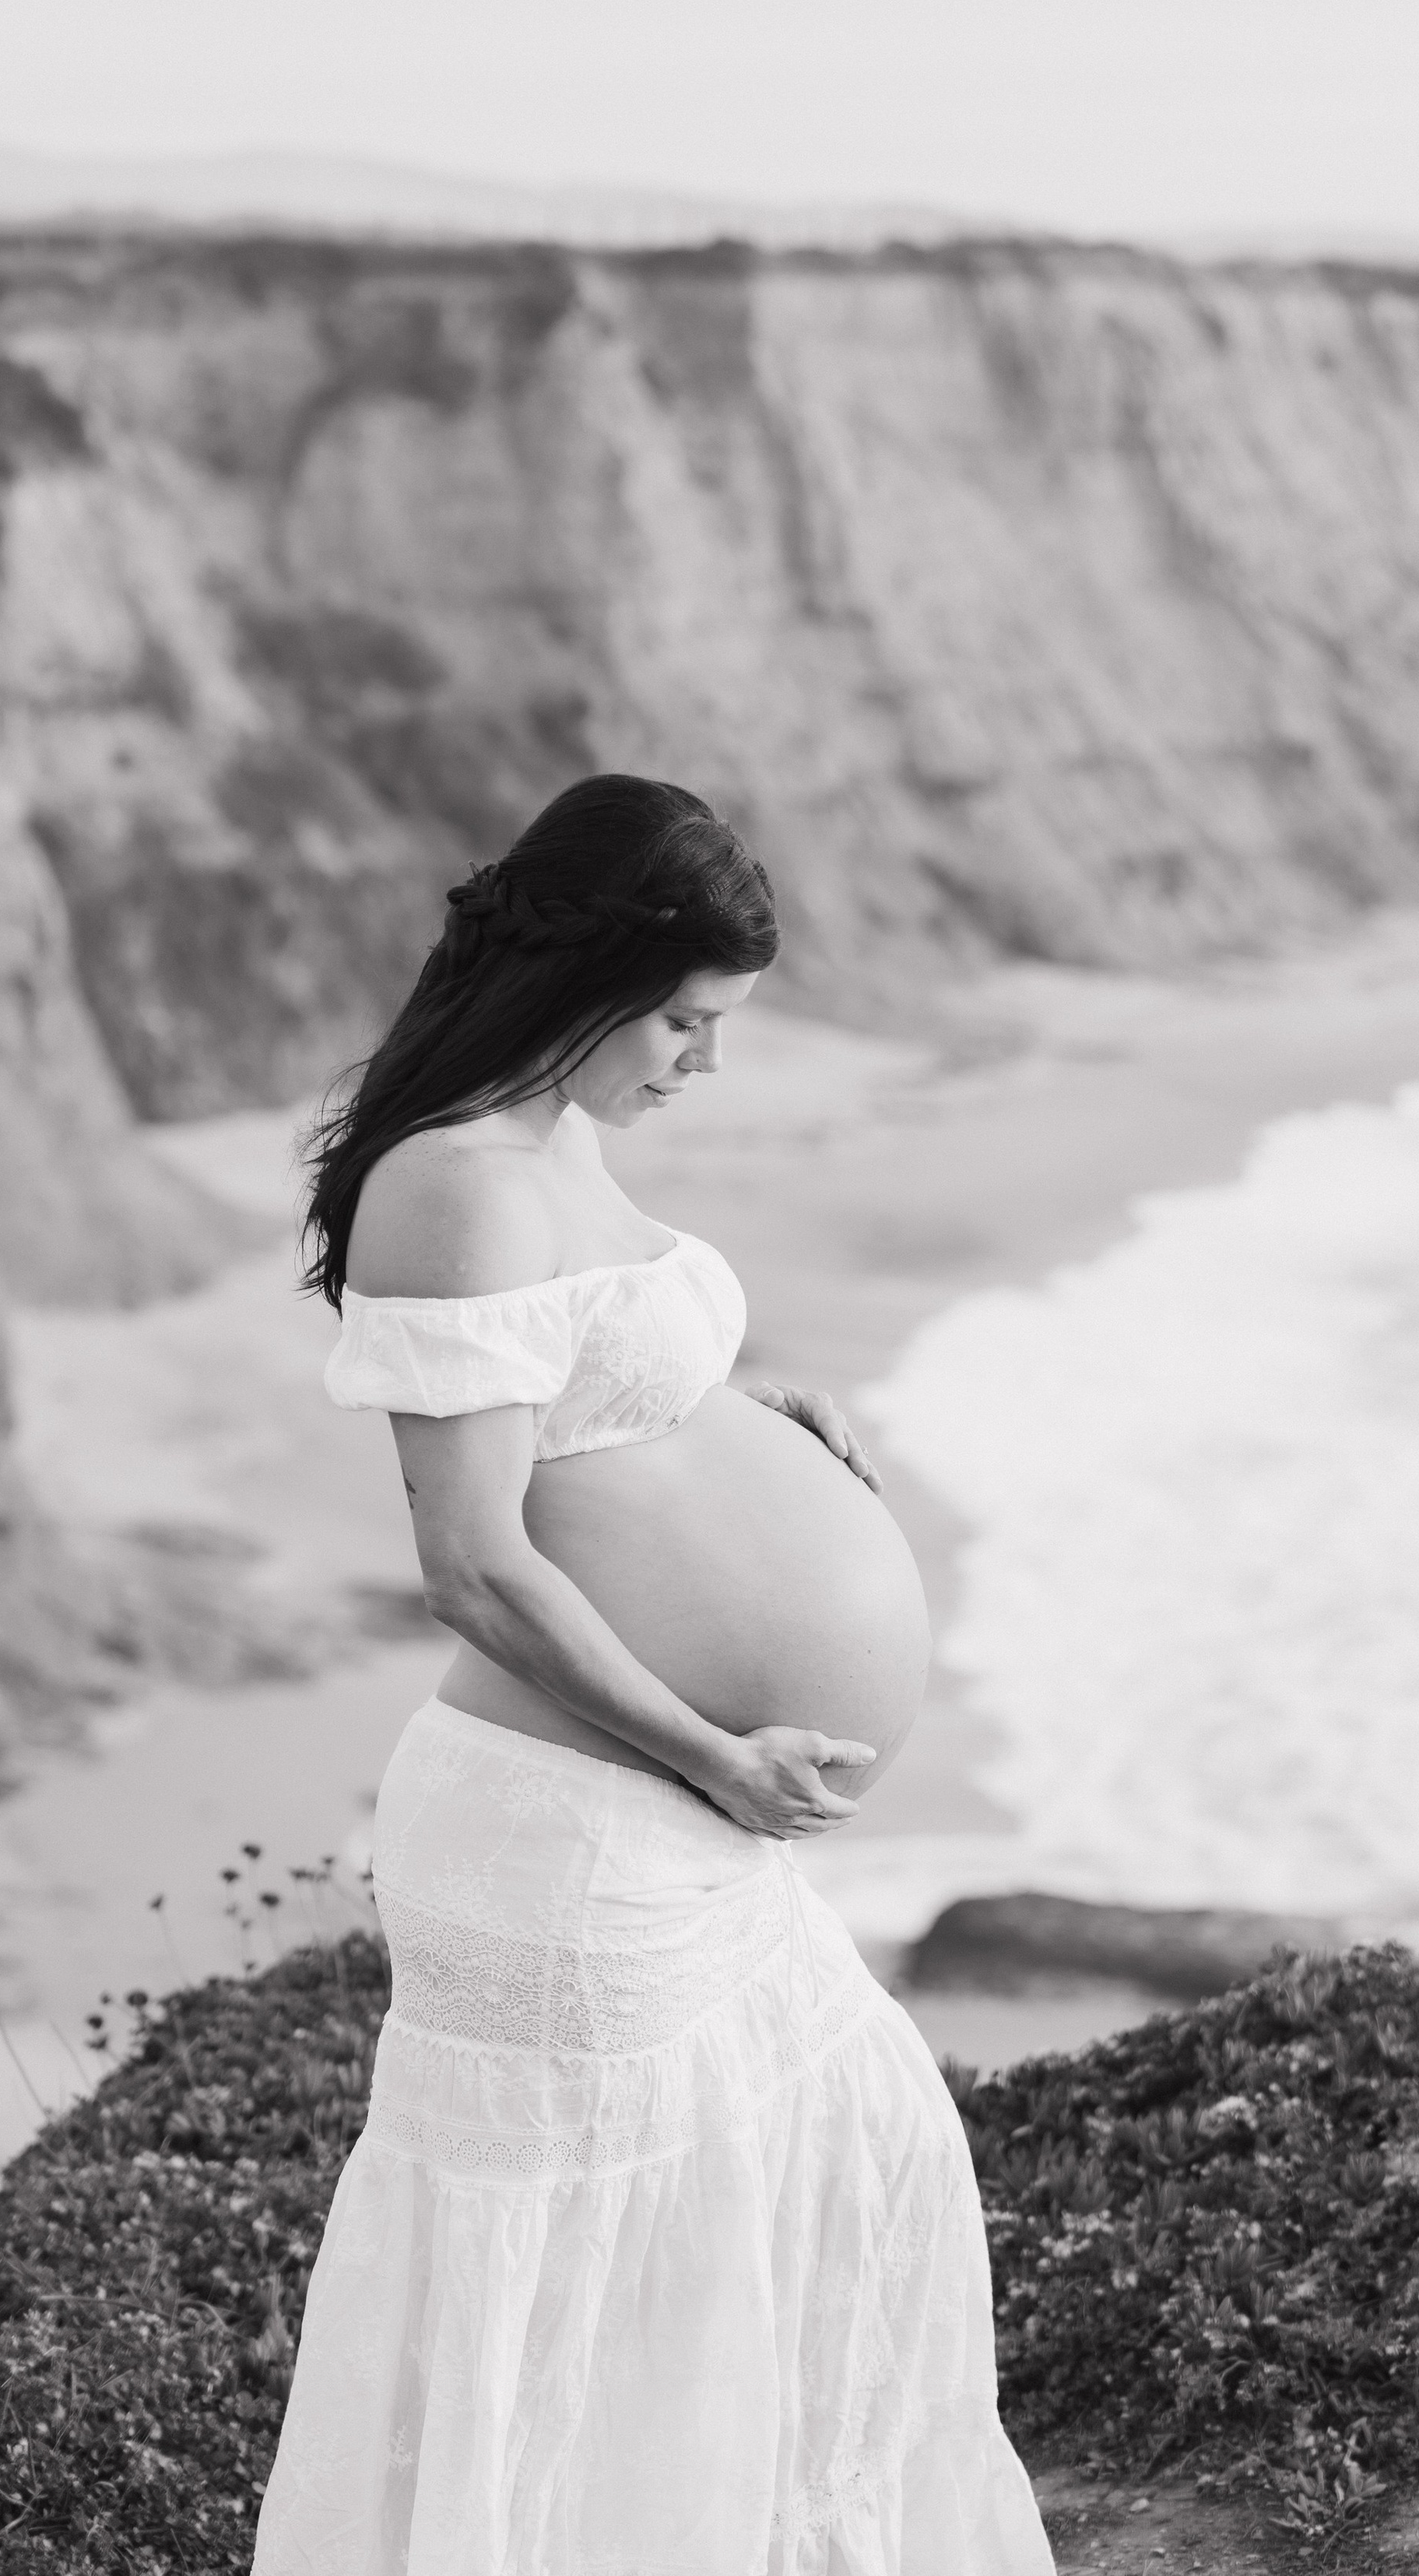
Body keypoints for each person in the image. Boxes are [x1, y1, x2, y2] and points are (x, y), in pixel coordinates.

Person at [252, 773, 1052, 2574]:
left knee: (820, 2181)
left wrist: (737, 1413)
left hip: (659, 1832)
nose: (705, 1061)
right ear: (596, 978)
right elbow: (471, 1563)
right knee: (602, 2301)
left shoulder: (554, 1143)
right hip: (574, 1837)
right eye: (686, 1021)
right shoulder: (451, 1187)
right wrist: (716, 1753)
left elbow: (577, 1415)